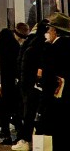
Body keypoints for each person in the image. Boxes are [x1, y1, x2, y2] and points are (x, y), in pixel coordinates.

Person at [36, 11, 70, 148]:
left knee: (56, 132)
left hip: (55, 96)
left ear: (55, 31)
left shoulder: (52, 49)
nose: (48, 32)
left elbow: (48, 76)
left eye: (49, 29)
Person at [13, 22, 45, 151]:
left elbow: (21, 64)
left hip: (29, 85)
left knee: (29, 113)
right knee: (36, 113)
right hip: (36, 84)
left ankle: (26, 140)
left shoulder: (29, 44)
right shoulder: (42, 45)